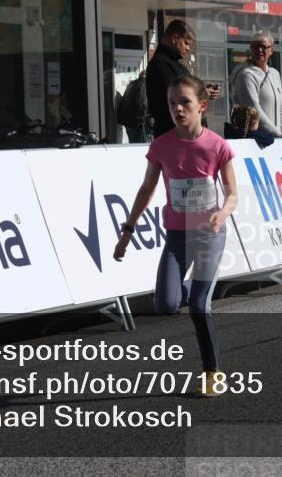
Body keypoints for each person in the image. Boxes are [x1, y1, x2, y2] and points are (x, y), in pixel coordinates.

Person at [113, 76, 237, 395]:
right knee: (166, 304)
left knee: (198, 306)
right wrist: (127, 231)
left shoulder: (217, 146)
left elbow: (232, 194)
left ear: (202, 106)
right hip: (177, 235)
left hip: (209, 235)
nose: (177, 109)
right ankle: (183, 285)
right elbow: (146, 189)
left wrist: (221, 214)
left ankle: (212, 373)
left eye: (184, 103)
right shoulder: (161, 146)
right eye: (172, 104)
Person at [146, 20, 221, 138]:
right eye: (186, 43)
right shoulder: (160, 64)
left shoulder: (173, 64)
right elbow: (176, 95)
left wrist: (203, 91)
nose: (188, 49)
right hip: (173, 136)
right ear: (175, 38)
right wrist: (203, 93)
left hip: (182, 135)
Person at [229, 32, 282, 148]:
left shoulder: (275, 74)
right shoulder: (246, 75)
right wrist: (278, 133)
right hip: (256, 142)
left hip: (274, 141)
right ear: (250, 50)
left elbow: (281, 108)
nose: (259, 50)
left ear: (271, 51)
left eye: (263, 47)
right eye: (255, 47)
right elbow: (255, 109)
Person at [116, 71, 149, 143]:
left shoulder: (132, 83)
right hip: (135, 122)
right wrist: (143, 120)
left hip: (127, 120)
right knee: (139, 144)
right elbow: (142, 104)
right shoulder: (143, 85)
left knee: (132, 142)